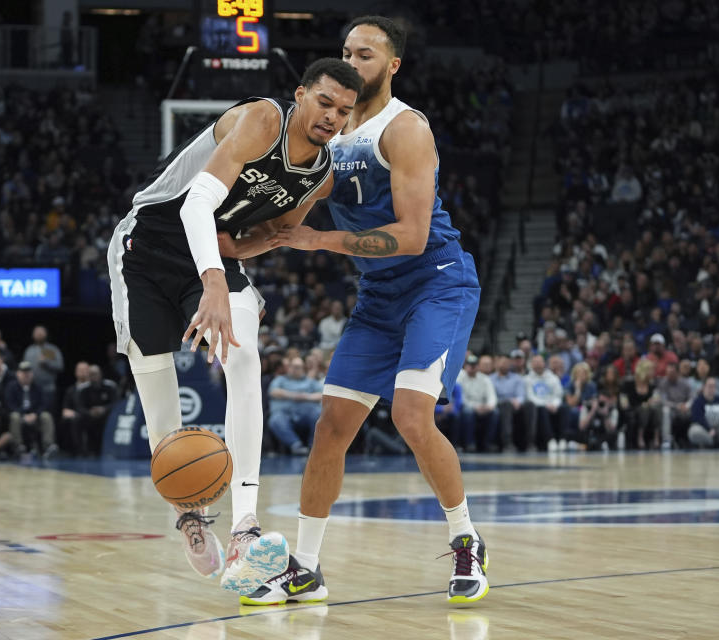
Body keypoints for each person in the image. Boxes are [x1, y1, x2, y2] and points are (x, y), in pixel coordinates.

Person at [251, 17, 488, 605]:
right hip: (379, 297)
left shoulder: (405, 128)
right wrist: (228, 244)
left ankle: (466, 541)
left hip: (436, 281)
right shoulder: (330, 133)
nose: (352, 62)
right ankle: (305, 567)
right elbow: (292, 218)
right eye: (345, 53)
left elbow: (409, 236)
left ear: (392, 65)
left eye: (365, 54)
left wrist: (317, 241)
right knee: (330, 427)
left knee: (410, 415)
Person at [106, 58, 362, 593]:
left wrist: (239, 257)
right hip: (147, 246)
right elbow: (197, 203)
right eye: (324, 103)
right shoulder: (262, 120)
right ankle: (190, 514)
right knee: (158, 390)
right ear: (300, 95)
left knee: (244, 353)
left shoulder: (321, 176)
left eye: (343, 110)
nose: (332, 117)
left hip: (213, 262)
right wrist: (216, 281)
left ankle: (246, 524)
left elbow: (271, 235)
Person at [267, 357, 322, 455]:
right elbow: (273, 392)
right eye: (294, 367)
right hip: (284, 413)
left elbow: (322, 395)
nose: (296, 369)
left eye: (298, 367)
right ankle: (296, 445)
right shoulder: (280, 380)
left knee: (318, 414)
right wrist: (293, 395)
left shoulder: (310, 382)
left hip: (306, 412)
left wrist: (306, 397)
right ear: (289, 367)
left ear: (303, 368)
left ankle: (313, 446)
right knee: (275, 420)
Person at [4, 361, 58, 459]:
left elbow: (44, 404)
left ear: (32, 374)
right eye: (23, 373)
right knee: (14, 416)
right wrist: (23, 415)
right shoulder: (11, 387)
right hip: (20, 416)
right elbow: (10, 405)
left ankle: (48, 446)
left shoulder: (38, 387)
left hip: (34, 416)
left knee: (46, 416)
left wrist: (35, 415)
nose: (26, 375)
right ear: (18, 374)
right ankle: (18, 447)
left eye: (28, 372)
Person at [455, 354, 498, 452]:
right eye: (470, 365)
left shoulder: (485, 379)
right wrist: (475, 407)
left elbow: (492, 397)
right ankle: (470, 443)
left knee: (495, 412)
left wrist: (489, 407)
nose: (472, 367)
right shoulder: (459, 377)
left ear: (478, 366)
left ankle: (488, 443)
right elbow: (461, 398)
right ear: (465, 366)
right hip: (468, 406)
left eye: (474, 365)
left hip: (483, 407)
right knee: (468, 412)